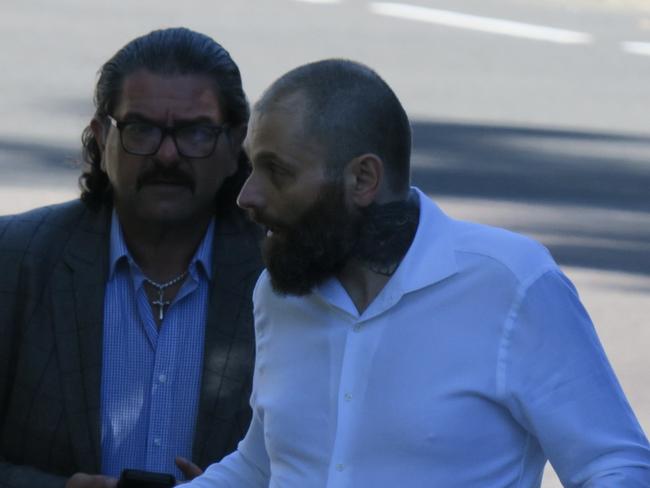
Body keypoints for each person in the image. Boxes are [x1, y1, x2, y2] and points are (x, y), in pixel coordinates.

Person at [185, 59, 650, 487]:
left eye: (277, 172)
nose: (247, 196)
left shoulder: (511, 284)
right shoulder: (278, 292)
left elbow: (615, 466)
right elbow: (265, 463)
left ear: (363, 179)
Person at [0, 28, 262, 488]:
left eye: (195, 132)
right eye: (141, 129)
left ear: (233, 143)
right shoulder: (16, 258)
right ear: (101, 139)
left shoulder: (283, 279)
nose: (166, 155)